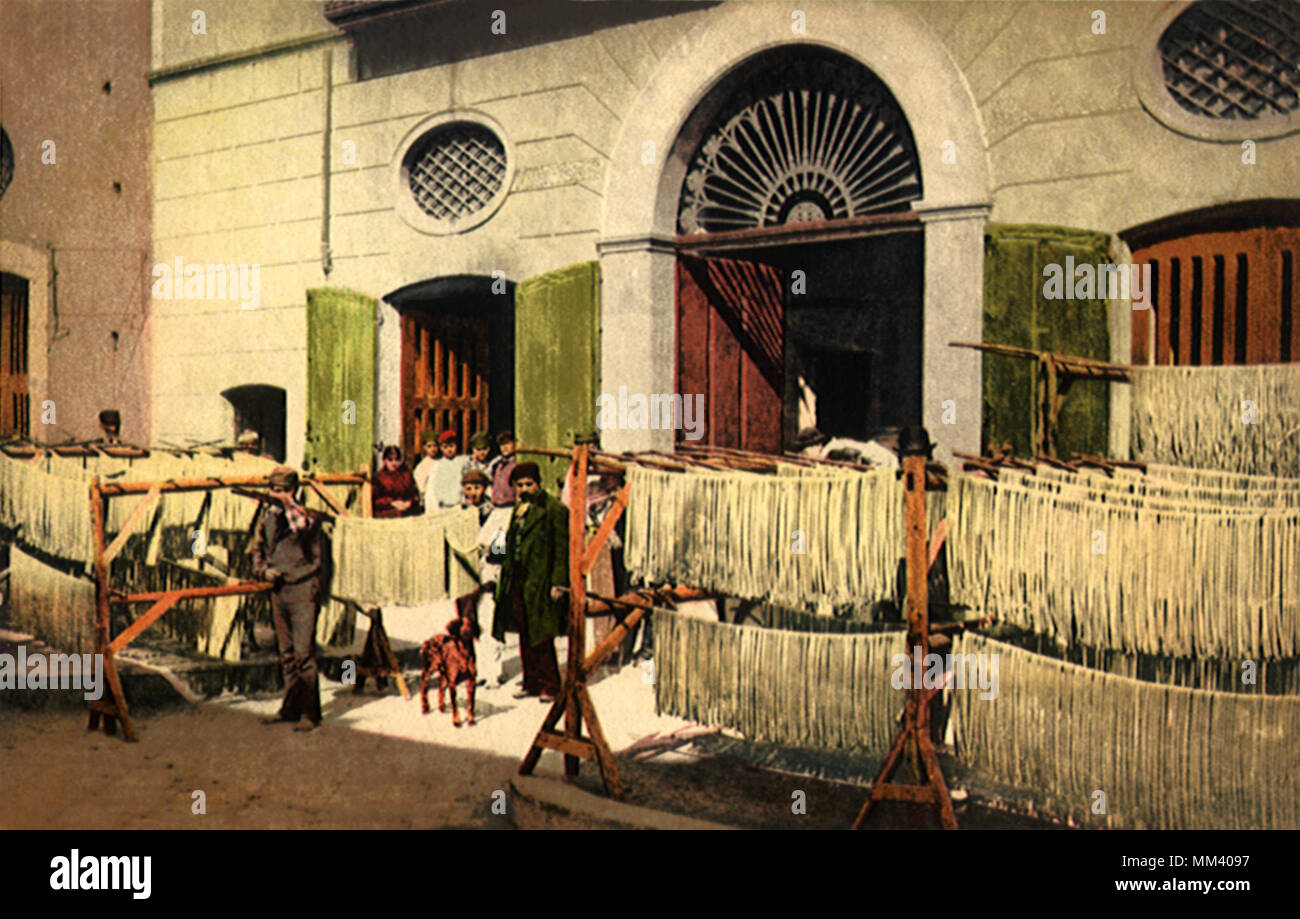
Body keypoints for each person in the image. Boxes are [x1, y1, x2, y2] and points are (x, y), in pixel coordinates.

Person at [251, 466, 325, 731]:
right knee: (286, 655)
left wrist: (296, 577)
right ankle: (289, 709)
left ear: (294, 491)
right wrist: (264, 571)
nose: (277, 495)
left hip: (303, 591)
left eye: (283, 490)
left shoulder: (306, 520)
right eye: (274, 489)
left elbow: (318, 560)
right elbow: (258, 549)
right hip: (278, 591)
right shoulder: (267, 518)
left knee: (304, 654)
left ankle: (310, 713)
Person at [492, 462, 567, 700]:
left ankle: (550, 684)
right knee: (525, 631)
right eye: (520, 485)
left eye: (528, 484)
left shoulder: (554, 509)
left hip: (542, 581)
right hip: (519, 579)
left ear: (538, 483)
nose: (524, 489)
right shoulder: (518, 509)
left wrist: (559, 582)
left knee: (542, 633)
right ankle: (530, 681)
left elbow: (563, 549)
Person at [424, 430, 470, 510]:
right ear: (441, 448)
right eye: (445, 447)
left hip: (460, 505)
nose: (449, 450)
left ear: (456, 445)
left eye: (451, 446)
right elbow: (432, 488)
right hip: (443, 506)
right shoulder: (437, 465)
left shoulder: (463, 462)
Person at [372, 445, 421, 517]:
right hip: (387, 511)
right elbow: (375, 501)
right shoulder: (379, 477)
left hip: (406, 510)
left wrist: (408, 503)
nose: (394, 463)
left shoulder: (407, 475)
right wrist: (392, 503)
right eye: (390, 460)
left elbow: (415, 495)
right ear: (384, 460)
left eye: (397, 460)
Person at [488, 430, 517, 507]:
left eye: (507, 443)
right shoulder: (497, 465)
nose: (504, 447)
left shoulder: (515, 464)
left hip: (510, 505)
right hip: (496, 506)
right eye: (502, 445)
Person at [412, 431, 439, 496]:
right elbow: (421, 487)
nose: (433, 449)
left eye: (435, 446)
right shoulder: (422, 466)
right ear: (424, 447)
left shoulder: (441, 461)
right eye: (429, 446)